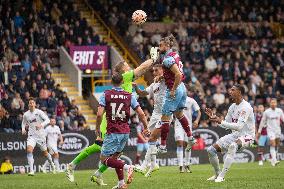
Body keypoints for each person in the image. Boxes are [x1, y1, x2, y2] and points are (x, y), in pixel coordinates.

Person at [66, 47, 159, 183]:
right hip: (112, 120)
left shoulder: (127, 81)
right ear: (123, 71)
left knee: (117, 153)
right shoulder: (126, 76)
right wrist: (153, 59)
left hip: (120, 119)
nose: (129, 67)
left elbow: (138, 91)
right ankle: (71, 165)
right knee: (99, 146)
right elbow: (142, 68)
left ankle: (98, 175)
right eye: (127, 66)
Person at [94, 73, 149, 189]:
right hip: (125, 132)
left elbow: (99, 114)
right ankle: (121, 184)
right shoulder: (129, 96)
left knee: (104, 160)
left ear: (111, 82)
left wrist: (97, 128)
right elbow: (141, 113)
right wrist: (146, 127)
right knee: (115, 158)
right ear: (123, 82)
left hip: (113, 131)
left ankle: (128, 167)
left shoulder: (106, 94)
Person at [149, 35, 195, 154]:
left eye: (160, 45)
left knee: (165, 118)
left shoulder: (167, 59)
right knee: (179, 114)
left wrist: (173, 89)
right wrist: (161, 76)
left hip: (175, 88)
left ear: (167, 45)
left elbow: (178, 74)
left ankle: (163, 146)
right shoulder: (175, 54)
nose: (159, 48)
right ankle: (190, 137)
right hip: (183, 88)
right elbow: (173, 73)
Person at [205, 84, 255, 182]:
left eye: (233, 90)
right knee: (210, 150)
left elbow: (239, 126)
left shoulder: (246, 107)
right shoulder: (232, 107)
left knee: (233, 146)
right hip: (235, 135)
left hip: (248, 136)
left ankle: (222, 176)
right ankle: (217, 174)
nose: (230, 92)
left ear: (239, 92)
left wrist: (221, 121)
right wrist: (216, 119)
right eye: (230, 90)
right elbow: (226, 124)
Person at [133, 64, 166, 176]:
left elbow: (172, 75)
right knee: (151, 138)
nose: (154, 72)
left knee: (152, 137)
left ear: (162, 70)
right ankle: (153, 164)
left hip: (165, 114)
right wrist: (136, 87)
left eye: (156, 70)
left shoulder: (167, 80)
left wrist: (161, 76)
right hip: (155, 114)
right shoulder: (153, 84)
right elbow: (142, 93)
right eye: (153, 71)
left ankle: (144, 166)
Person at [22, 97, 55, 176]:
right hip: (31, 136)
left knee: (45, 153)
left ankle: (52, 164)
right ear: (28, 105)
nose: (32, 104)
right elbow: (23, 123)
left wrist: (41, 125)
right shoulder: (26, 114)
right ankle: (31, 171)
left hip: (40, 136)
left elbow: (47, 120)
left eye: (33, 103)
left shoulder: (39, 112)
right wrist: (23, 129)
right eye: (30, 103)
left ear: (35, 104)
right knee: (29, 150)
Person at [174, 94, 201, 173]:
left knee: (188, 145)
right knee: (180, 143)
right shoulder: (176, 99)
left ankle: (187, 164)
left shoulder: (191, 100)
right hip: (178, 124)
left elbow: (199, 112)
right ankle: (180, 165)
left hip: (188, 126)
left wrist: (196, 121)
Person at [257, 99, 284, 166]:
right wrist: (259, 131)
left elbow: (283, 119)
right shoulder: (267, 112)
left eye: (274, 102)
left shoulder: (279, 111)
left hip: (278, 130)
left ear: (276, 103)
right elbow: (262, 122)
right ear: (270, 104)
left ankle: (273, 159)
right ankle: (274, 160)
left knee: (276, 145)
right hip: (270, 131)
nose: (273, 104)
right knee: (272, 144)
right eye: (272, 103)